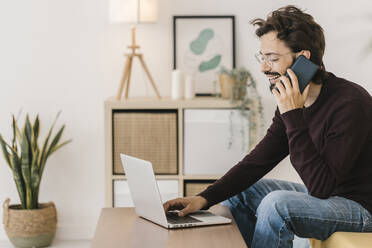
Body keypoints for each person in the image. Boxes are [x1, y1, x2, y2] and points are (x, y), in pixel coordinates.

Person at [163, 5, 372, 248]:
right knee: (241, 193)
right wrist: (203, 198)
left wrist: (293, 114)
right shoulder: (290, 101)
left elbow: (321, 187)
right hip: (329, 197)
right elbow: (257, 162)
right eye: (262, 58)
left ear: (302, 59)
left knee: (276, 204)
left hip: (361, 208)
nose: (263, 68)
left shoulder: (349, 103)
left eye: (272, 58)